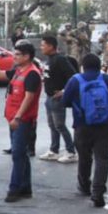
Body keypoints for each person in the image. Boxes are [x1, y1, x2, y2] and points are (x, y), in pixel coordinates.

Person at [0, 41, 42, 203]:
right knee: (21, 154)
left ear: (27, 56)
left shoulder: (32, 74)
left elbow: (29, 98)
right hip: (14, 118)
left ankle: (14, 189)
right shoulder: (18, 71)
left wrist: (18, 117)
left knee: (17, 154)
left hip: (22, 120)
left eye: (17, 54)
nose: (14, 56)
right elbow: (0, 75)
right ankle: (25, 188)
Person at [61, 53, 108, 208]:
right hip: (105, 126)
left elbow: (65, 101)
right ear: (99, 66)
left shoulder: (75, 80)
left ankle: (84, 186)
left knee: (84, 157)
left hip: (82, 125)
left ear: (83, 66)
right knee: (102, 159)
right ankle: (98, 192)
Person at [38, 35, 77, 163]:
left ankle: (71, 151)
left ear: (50, 46)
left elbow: (73, 76)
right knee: (52, 126)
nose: (41, 47)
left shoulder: (60, 59)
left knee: (60, 125)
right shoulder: (49, 60)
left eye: (43, 45)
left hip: (57, 99)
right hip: (49, 98)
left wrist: (64, 91)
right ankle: (54, 150)